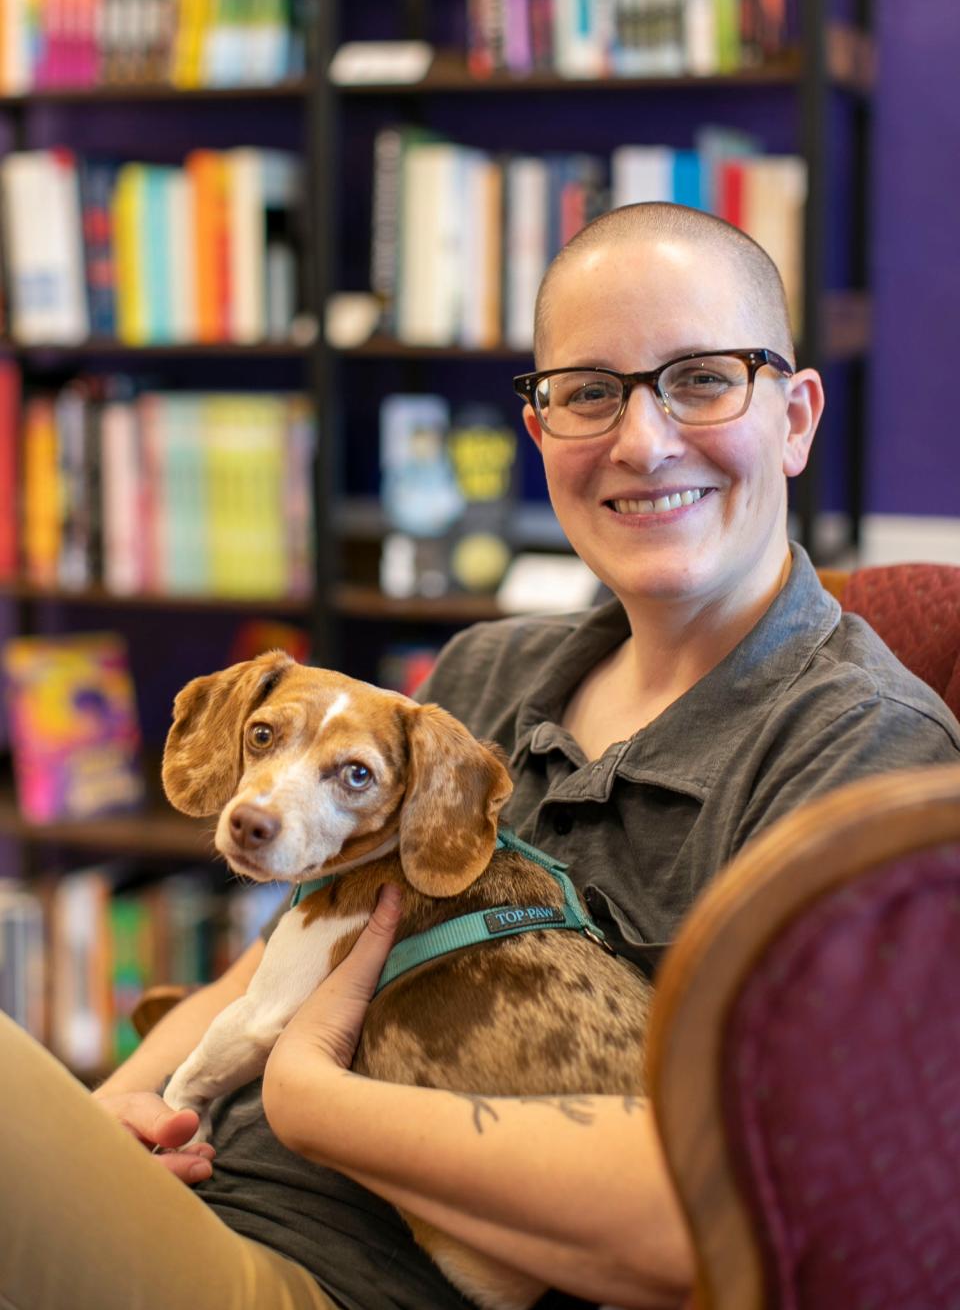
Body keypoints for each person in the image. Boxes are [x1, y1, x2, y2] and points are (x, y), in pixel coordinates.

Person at [2, 204, 958, 1310]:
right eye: (589, 392)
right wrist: (121, 1103)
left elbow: (755, 1219)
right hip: (193, 1191)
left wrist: (313, 1098)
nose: (643, 441)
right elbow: (277, 966)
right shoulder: (488, 672)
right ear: (540, 428)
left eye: (701, 377)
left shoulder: (860, 750)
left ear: (794, 418)